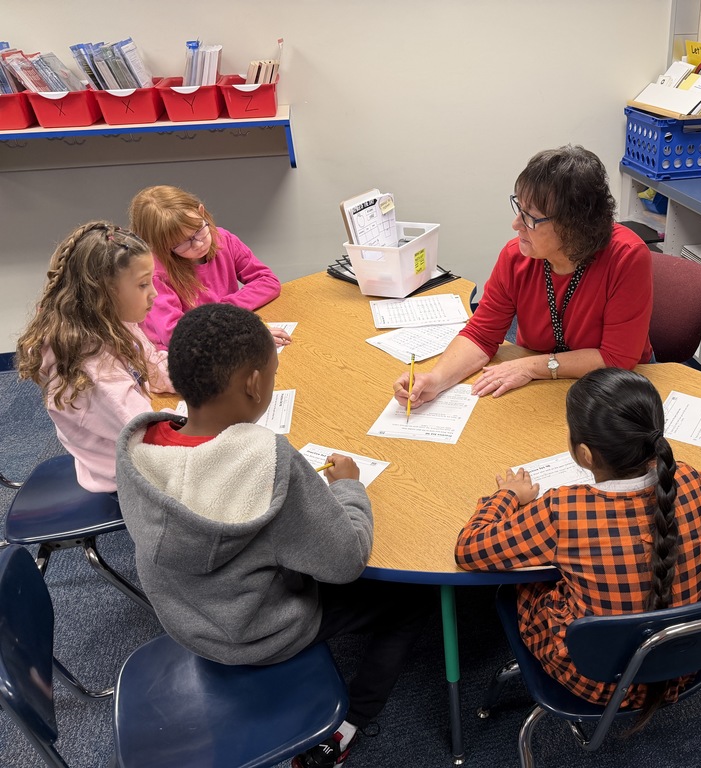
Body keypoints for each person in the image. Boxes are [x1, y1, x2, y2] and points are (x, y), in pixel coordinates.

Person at [116, 303, 433, 767]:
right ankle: (348, 727)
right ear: (254, 382)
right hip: (256, 634)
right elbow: (346, 561)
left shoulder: (140, 446)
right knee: (409, 603)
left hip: (187, 621)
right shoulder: (267, 461)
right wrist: (347, 487)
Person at [455, 367, 701, 726]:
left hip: (599, 677)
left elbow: (469, 548)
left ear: (584, 454)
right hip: (687, 655)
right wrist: (679, 471)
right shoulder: (690, 483)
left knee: (520, 583)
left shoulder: (563, 510)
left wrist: (507, 495)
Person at [394, 145, 653, 408]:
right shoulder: (516, 257)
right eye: (519, 208)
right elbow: (481, 335)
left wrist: (531, 366)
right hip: (541, 387)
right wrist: (435, 380)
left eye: (530, 217)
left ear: (574, 226)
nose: (516, 224)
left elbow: (616, 358)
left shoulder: (627, 257)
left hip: (614, 389)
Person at [15, 221, 173, 493]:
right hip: (126, 475)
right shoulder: (93, 372)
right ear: (103, 293)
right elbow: (147, 435)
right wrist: (204, 418)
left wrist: (200, 376)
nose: (154, 293)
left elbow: (154, 366)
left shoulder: (114, 323)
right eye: (143, 284)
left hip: (132, 443)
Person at [128, 184, 289, 350]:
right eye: (180, 243)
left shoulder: (223, 239)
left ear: (201, 212)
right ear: (161, 246)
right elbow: (176, 335)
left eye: (198, 230)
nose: (198, 244)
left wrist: (223, 312)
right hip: (178, 354)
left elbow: (267, 281)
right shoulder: (156, 275)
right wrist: (233, 329)